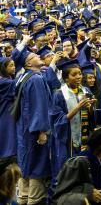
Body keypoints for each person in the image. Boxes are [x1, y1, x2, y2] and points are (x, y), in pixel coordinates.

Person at [49, 59, 97, 187]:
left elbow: (92, 118)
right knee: (66, 172)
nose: (79, 77)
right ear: (66, 78)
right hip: (67, 141)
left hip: (84, 138)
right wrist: (77, 108)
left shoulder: (85, 91)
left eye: (80, 74)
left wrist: (91, 107)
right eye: (74, 74)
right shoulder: (59, 95)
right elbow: (57, 121)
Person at [13, 50, 51, 205]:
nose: (38, 56)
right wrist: (42, 130)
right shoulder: (35, 79)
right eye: (34, 57)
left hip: (24, 126)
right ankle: (34, 200)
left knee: (26, 162)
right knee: (37, 163)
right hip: (34, 130)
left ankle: (22, 198)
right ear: (28, 63)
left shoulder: (22, 76)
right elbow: (39, 105)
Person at [0, 58, 17, 164]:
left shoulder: (6, 80)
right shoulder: (6, 83)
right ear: (3, 68)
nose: (14, 67)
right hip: (6, 113)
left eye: (14, 65)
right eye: (11, 65)